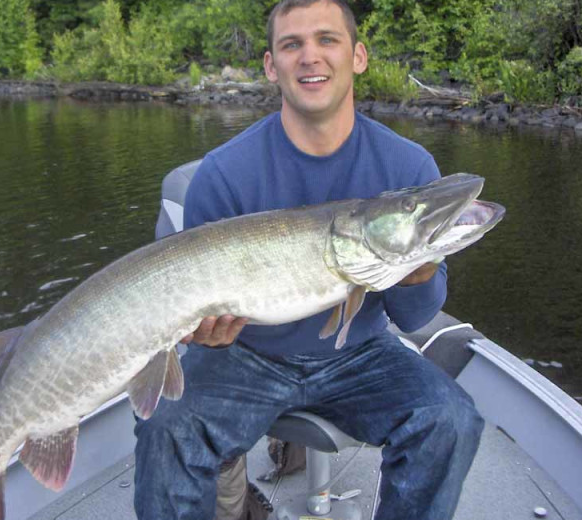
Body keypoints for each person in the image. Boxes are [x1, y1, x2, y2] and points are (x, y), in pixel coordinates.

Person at [134, 1, 484, 519]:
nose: (309, 57)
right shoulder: (223, 174)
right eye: (291, 44)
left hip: (360, 353)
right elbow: (197, 317)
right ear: (271, 66)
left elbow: (413, 317)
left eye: (327, 39)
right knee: (166, 424)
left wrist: (423, 269)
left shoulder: (409, 165)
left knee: (450, 419)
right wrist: (199, 330)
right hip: (245, 354)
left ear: (358, 56)